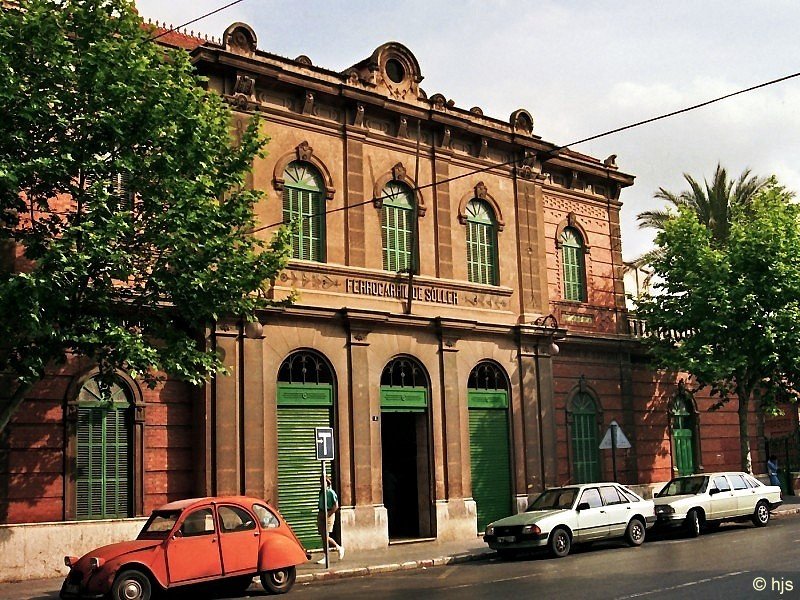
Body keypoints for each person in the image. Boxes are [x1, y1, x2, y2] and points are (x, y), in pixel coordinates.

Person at [317, 475, 344, 563]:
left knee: (326, 536)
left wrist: (328, 514)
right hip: (321, 513)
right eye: (320, 481)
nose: (321, 483)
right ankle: (326, 556)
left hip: (328, 514)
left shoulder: (331, 492)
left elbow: (336, 506)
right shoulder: (321, 492)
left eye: (323, 481)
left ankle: (338, 548)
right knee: (323, 536)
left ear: (327, 483)